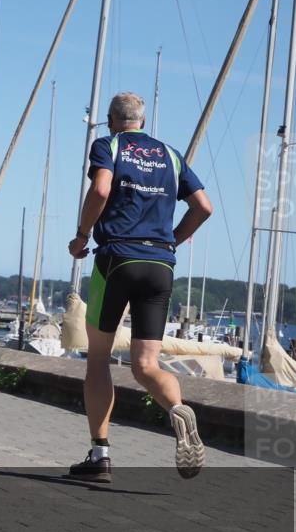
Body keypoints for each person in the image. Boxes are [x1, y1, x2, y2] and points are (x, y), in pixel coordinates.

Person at [66, 92, 212, 482]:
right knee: (146, 365)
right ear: (143, 123)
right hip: (160, 264)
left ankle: (100, 456)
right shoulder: (170, 154)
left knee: (98, 359)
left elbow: (100, 190)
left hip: (117, 259)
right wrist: (171, 241)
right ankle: (177, 408)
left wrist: (81, 237)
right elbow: (204, 207)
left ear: (112, 121)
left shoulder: (108, 145)